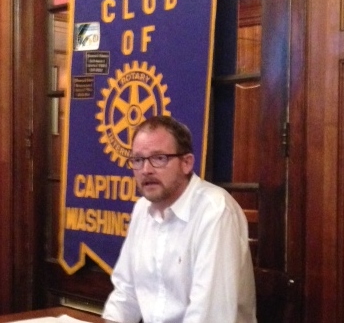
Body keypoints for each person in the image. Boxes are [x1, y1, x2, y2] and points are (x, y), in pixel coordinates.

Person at [102, 115, 257, 323]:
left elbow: (208, 316)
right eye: (138, 160)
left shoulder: (215, 211)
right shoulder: (142, 209)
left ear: (186, 163)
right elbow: (125, 294)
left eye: (159, 158)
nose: (146, 170)